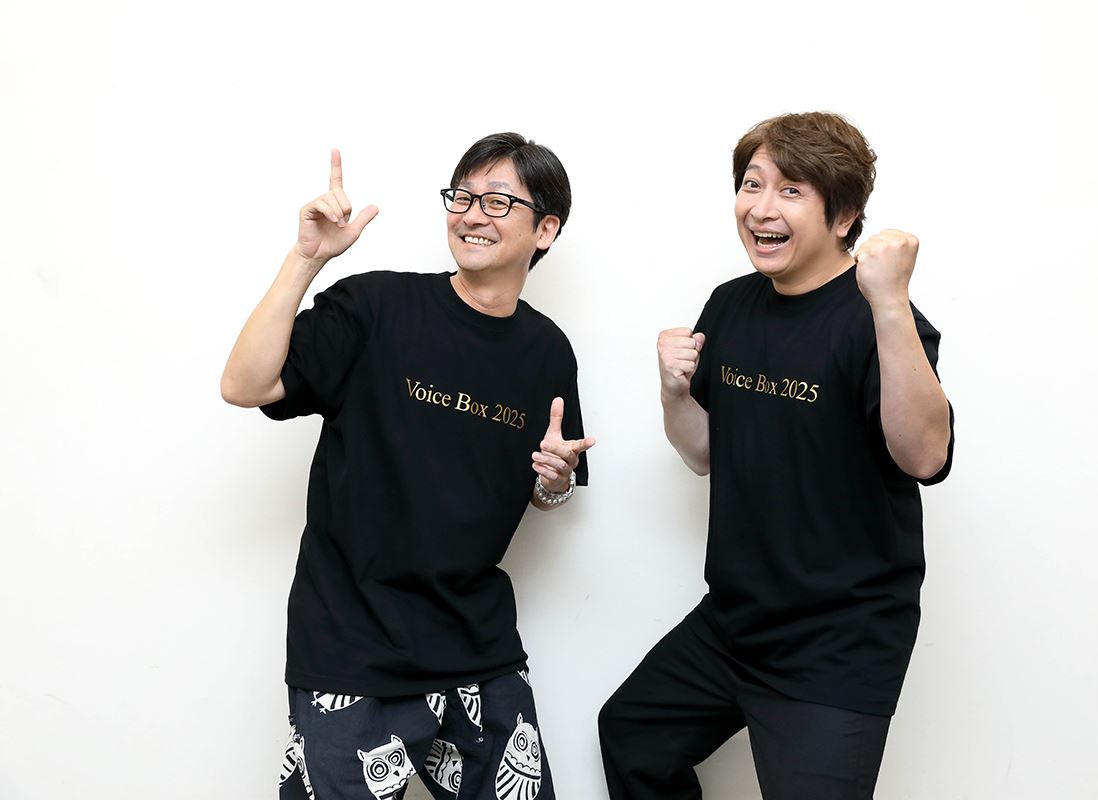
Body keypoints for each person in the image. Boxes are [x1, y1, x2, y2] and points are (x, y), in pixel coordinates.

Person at [221, 133, 593, 800]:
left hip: (476, 647)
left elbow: (545, 486)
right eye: (463, 197)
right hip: (352, 644)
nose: (472, 215)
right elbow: (244, 385)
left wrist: (554, 483)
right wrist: (306, 261)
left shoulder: (547, 351)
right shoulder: (376, 307)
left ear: (546, 229)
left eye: (498, 201)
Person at [598, 112, 954, 800]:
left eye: (791, 190)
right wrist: (673, 392)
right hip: (734, 622)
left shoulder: (880, 320)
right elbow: (703, 453)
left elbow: (925, 457)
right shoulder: (731, 306)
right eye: (752, 184)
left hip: (838, 642)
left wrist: (889, 303)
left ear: (843, 216)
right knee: (633, 735)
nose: (761, 208)